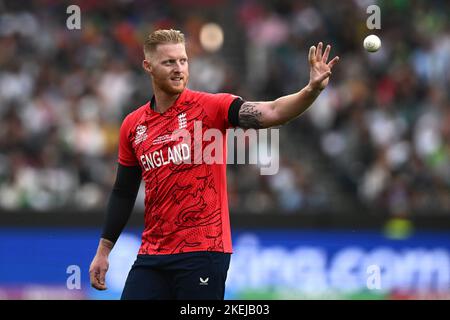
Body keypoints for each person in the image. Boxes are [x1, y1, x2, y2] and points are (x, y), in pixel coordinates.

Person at [89, 29, 339, 300]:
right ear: (148, 66)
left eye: (183, 61)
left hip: (203, 252)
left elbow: (273, 112)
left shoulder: (211, 107)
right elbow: (123, 192)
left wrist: (311, 90)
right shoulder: (133, 125)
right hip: (153, 254)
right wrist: (104, 251)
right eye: (169, 62)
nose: (179, 69)